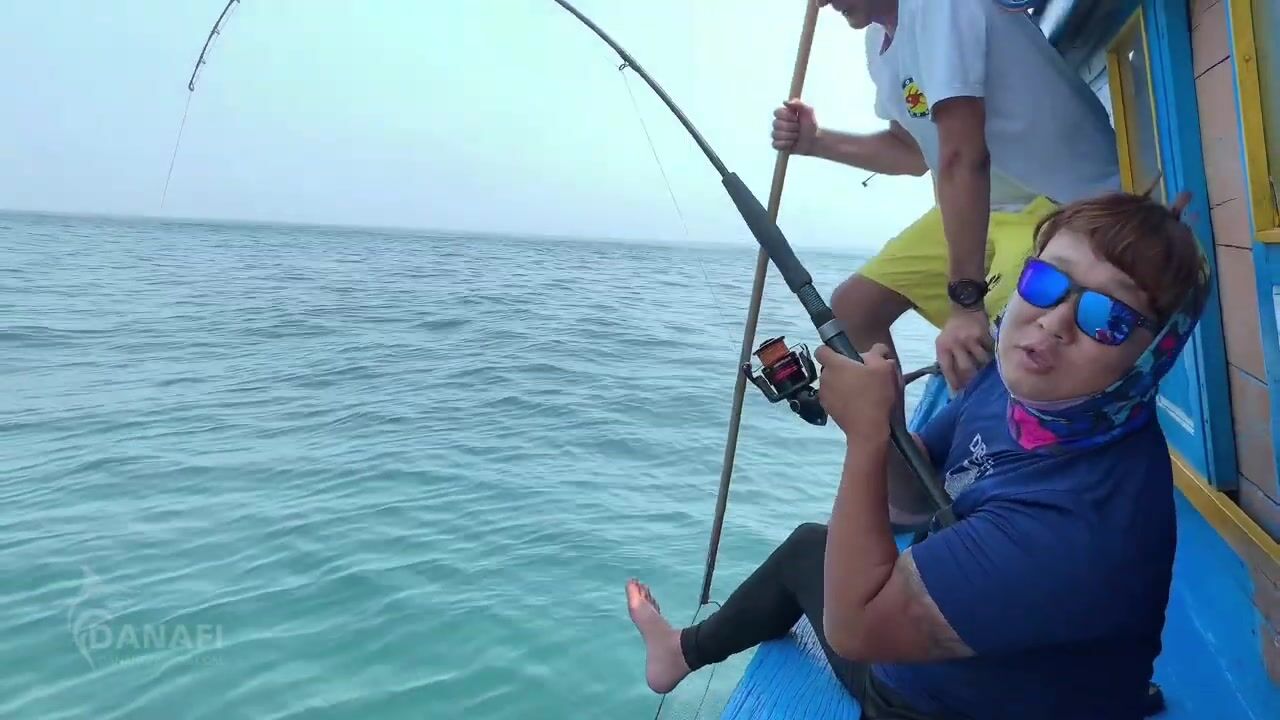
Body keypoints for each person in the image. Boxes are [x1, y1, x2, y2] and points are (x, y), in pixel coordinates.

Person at [625, 191, 1209, 720]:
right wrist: (889, 423)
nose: (1053, 323)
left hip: (937, 705)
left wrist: (864, 438)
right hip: (1067, 677)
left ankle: (682, 650)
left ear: (1154, 356)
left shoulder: (1073, 525)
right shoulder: (1023, 384)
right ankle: (679, 653)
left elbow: (855, 629)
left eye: (1109, 318)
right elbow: (910, 498)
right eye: (1046, 283)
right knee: (809, 546)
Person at [771, 0, 1121, 392]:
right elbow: (912, 152)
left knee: (998, 335)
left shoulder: (939, 7)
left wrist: (967, 304)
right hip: (988, 206)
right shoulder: (879, 42)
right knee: (854, 309)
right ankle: (884, 434)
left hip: (1064, 201)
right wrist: (816, 142)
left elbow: (963, 157)